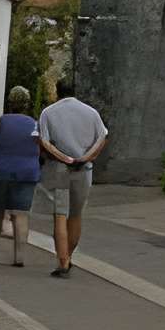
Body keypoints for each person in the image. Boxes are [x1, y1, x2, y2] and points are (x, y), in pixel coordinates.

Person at [35, 77, 111, 278]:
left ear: (57, 91)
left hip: (59, 169)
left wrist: (64, 157)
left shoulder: (48, 112)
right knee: (76, 214)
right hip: (84, 169)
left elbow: (43, 141)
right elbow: (102, 138)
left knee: (60, 214)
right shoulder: (91, 112)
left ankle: (62, 261)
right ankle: (68, 255)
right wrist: (86, 157)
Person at [0, 88, 42, 268]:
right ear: (27, 104)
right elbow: (42, 146)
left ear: (9, 102)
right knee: (21, 214)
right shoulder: (36, 124)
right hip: (28, 172)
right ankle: (19, 258)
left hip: (3, 170)